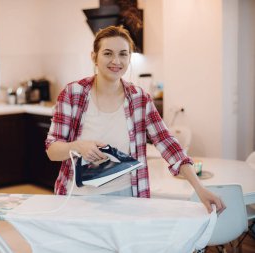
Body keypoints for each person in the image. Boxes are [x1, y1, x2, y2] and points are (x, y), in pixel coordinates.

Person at [45, 25, 225, 214]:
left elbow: (168, 143)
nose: (116, 61)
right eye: (108, 53)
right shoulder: (73, 94)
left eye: (123, 54)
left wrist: (199, 188)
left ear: (129, 58)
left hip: (126, 196)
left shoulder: (140, 98)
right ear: (94, 57)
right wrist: (77, 146)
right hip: (78, 198)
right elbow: (52, 149)